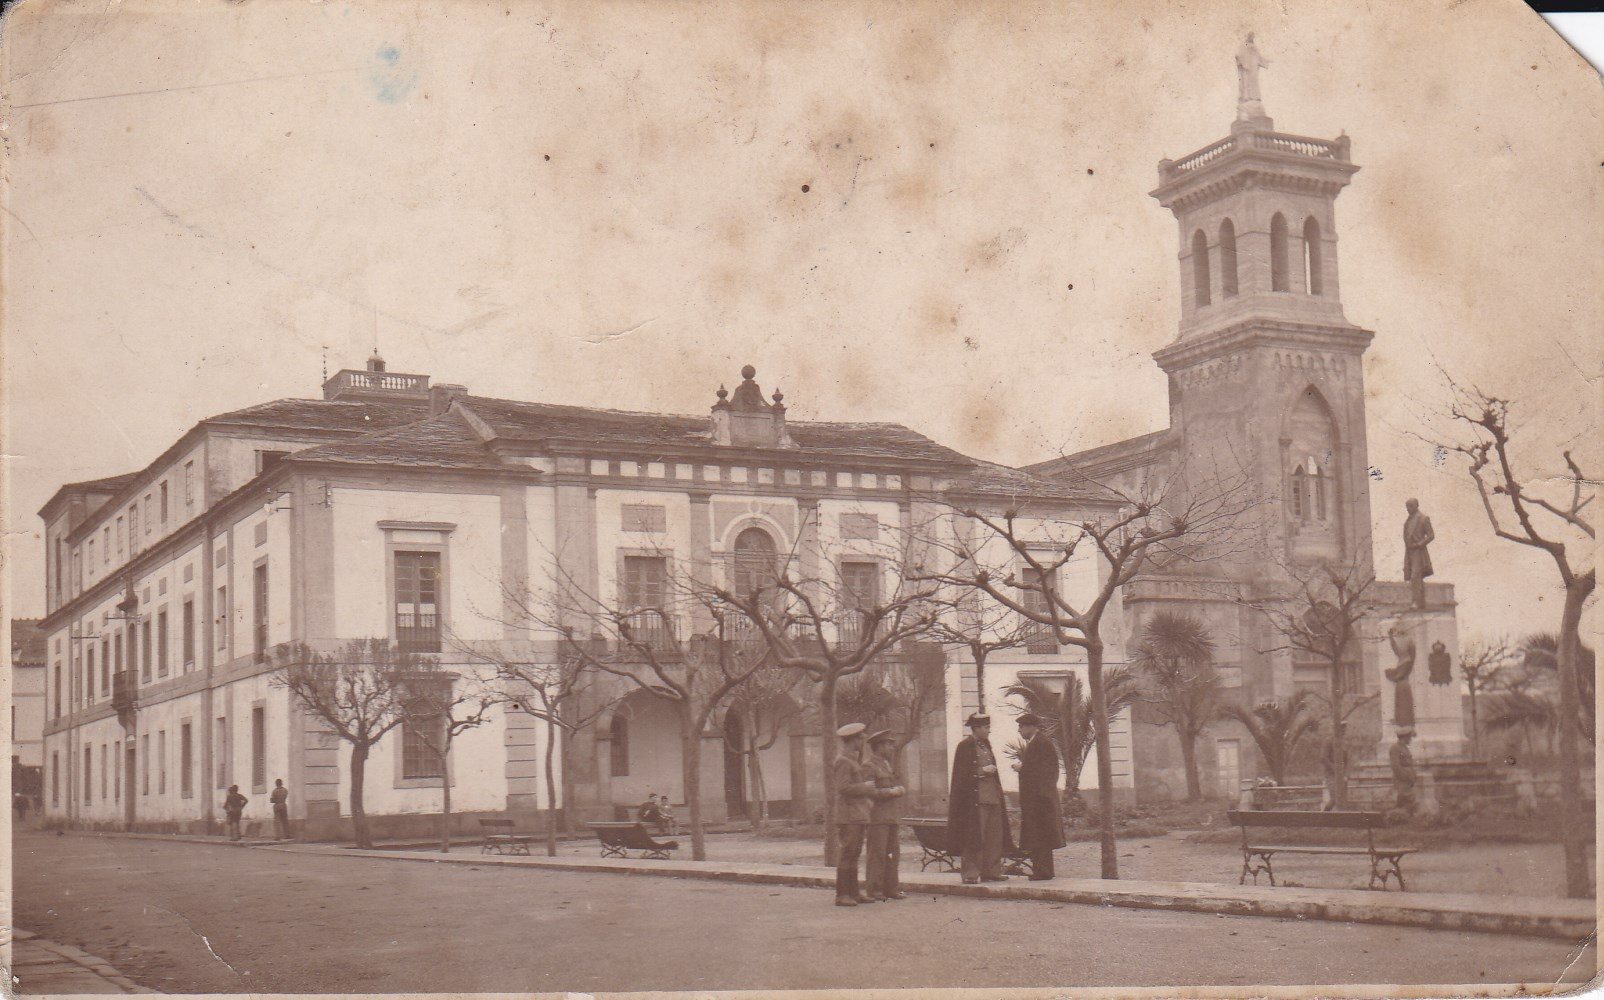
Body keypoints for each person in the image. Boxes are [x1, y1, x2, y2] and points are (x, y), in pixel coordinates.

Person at [947, 713, 1014, 884]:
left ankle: (991, 872)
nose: (989, 730)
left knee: (994, 836)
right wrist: (982, 771)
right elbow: (961, 776)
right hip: (976, 801)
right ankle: (970, 874)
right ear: (976, 728)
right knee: (974, 837)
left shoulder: (986, 746)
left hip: (992, 798)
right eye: (986, 727)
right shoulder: (965, 746)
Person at [831, 722, 879, 906]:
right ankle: (842, 894)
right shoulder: (843, 761)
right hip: (848, 815)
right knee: (847, 853)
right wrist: (865, 787)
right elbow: (842, 788)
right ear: (851, 740)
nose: (863, 740)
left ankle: (853, 892)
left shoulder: (852, 760)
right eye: (860, 737)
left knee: (855, 853)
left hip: (857, 814)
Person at [1012, 713, 1064, 881]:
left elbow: (1044, 772)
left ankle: (1042, 871)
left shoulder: (1039, 743)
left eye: (1021, 726)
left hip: (1039, 799)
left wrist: (1022, 768)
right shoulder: (1038, 742)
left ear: (1031, 727)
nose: (1019, 730)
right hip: (1040, 798)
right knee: (1041, 835)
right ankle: (1044, 870)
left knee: (1039, 835)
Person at [863, 729, 907, 901]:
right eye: (888, 744)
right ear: (878, 746)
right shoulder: (869, 766)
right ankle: (874, 889)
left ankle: (891, 889)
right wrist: (893, 791)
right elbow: (869, 792)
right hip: (877, 817)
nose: (891, 747)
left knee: (893, 853)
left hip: (891, 816)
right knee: (877, 854)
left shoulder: (887, 764)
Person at [1389, 729, 1418, 814]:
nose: (1410, 739)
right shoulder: (1395, 748)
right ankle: (1399, 819)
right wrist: (1405, 777)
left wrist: (1413, 776)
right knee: (1403, 801)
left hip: (1409, 779)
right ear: (1404, 737)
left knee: (1409, 801)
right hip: (1402, 780)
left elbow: (1410, 763)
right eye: (1409, 737)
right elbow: (1395, 766)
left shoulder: (1405, 748)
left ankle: (1406, 820)